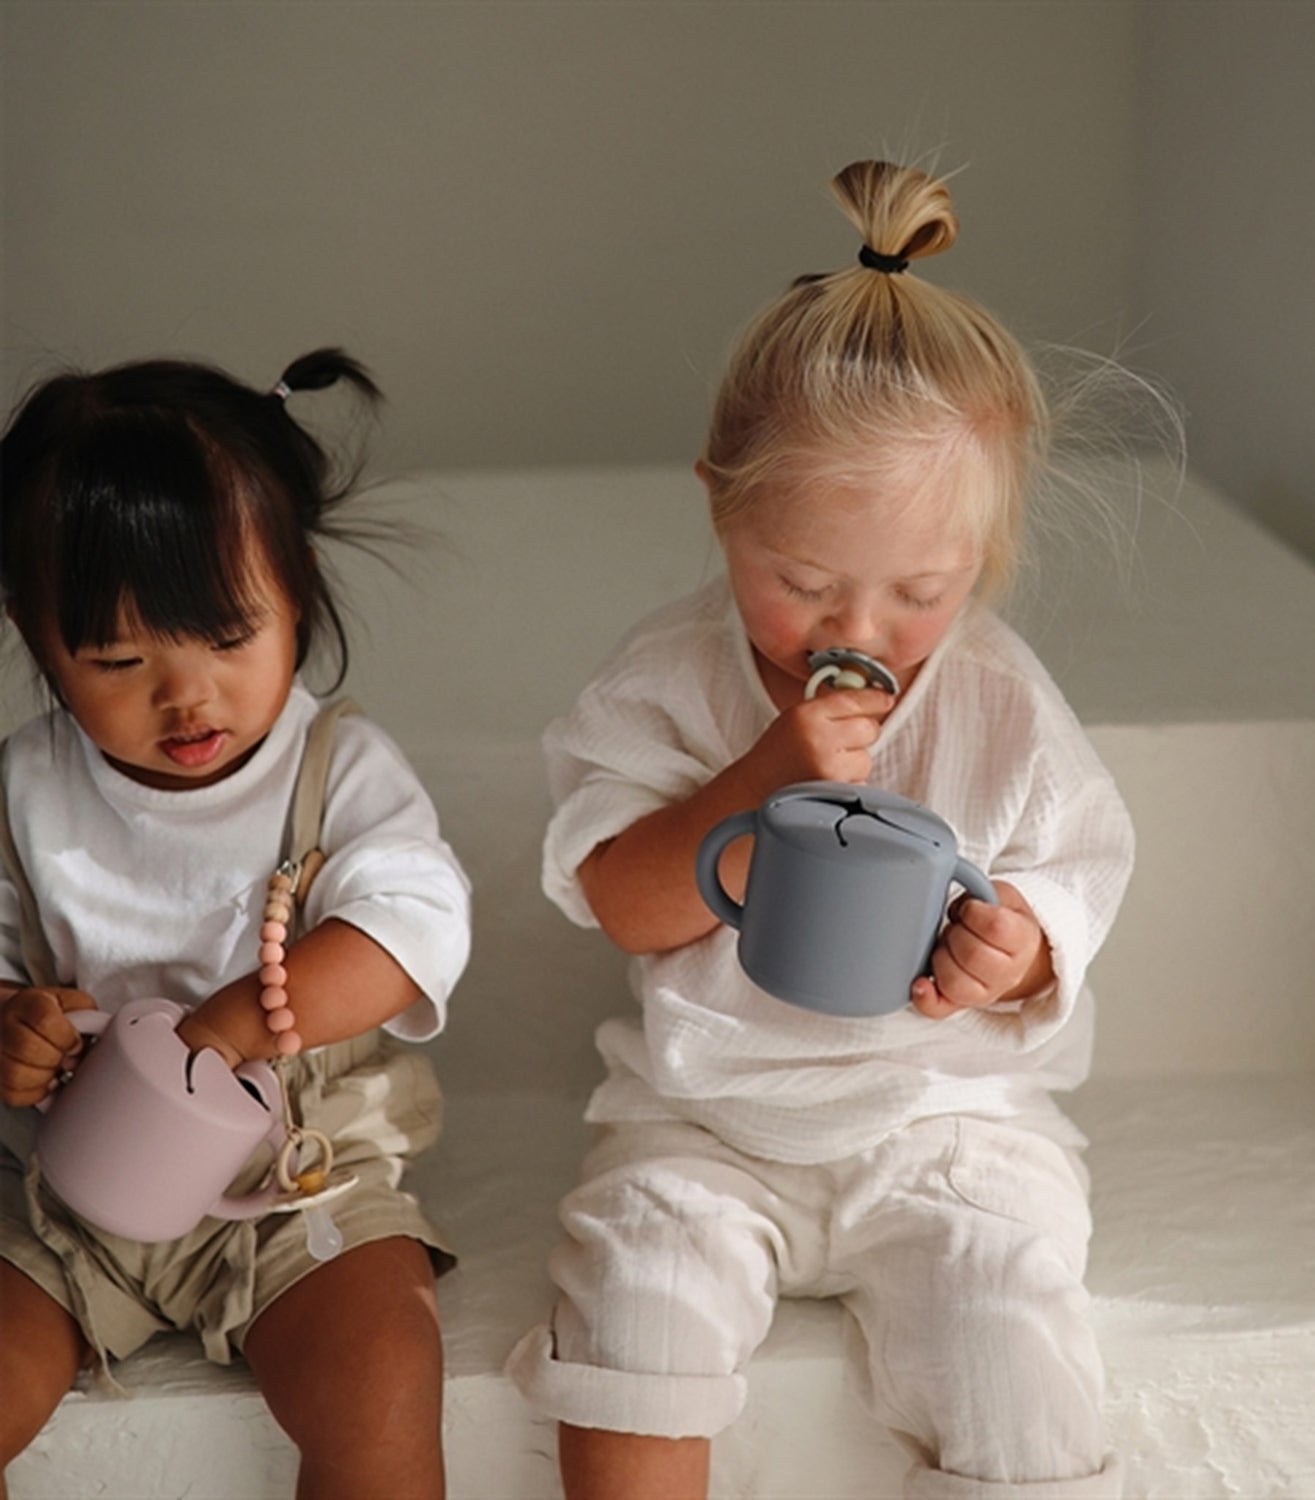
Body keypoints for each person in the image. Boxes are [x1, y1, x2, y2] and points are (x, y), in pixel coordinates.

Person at [506, 160, 1150, 1499]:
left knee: (1013, 1342)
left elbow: (1079, 871)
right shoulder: (664, 682)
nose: (857, 630)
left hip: (945, 1122)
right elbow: (623, 898)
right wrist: (752, 781)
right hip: (707, 1121)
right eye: (801, 581)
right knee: (629, 1320)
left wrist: (1018, 949)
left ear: (982, 559)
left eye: (920, 591)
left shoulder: (1001, 704)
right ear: (719, 505)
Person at [0, 349, 471, 1500]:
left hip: (300, 1183)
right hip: (68, 1197)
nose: (187, 695)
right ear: (38, 638)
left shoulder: (336, 768)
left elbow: (415, 926)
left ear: (297, 593)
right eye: (119, 659)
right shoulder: (26, 790)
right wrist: (13, 1024)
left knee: (383, 1381)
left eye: (227, 637)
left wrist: (236, 1025)